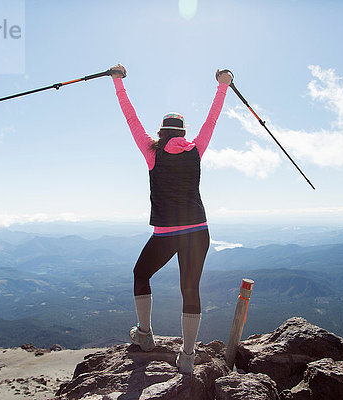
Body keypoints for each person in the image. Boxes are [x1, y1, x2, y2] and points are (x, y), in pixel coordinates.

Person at [110, 63, 232, 375]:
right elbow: (213, 117)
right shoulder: (196, 149)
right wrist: (224, 83)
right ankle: (188, 357)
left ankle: (145, 335)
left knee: (141, 273)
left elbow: (130, 116)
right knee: (190, 289)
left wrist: (117, 81)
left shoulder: (152, 151)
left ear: (163, 131)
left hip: (166, 234)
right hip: (198, 231)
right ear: (183, 132)